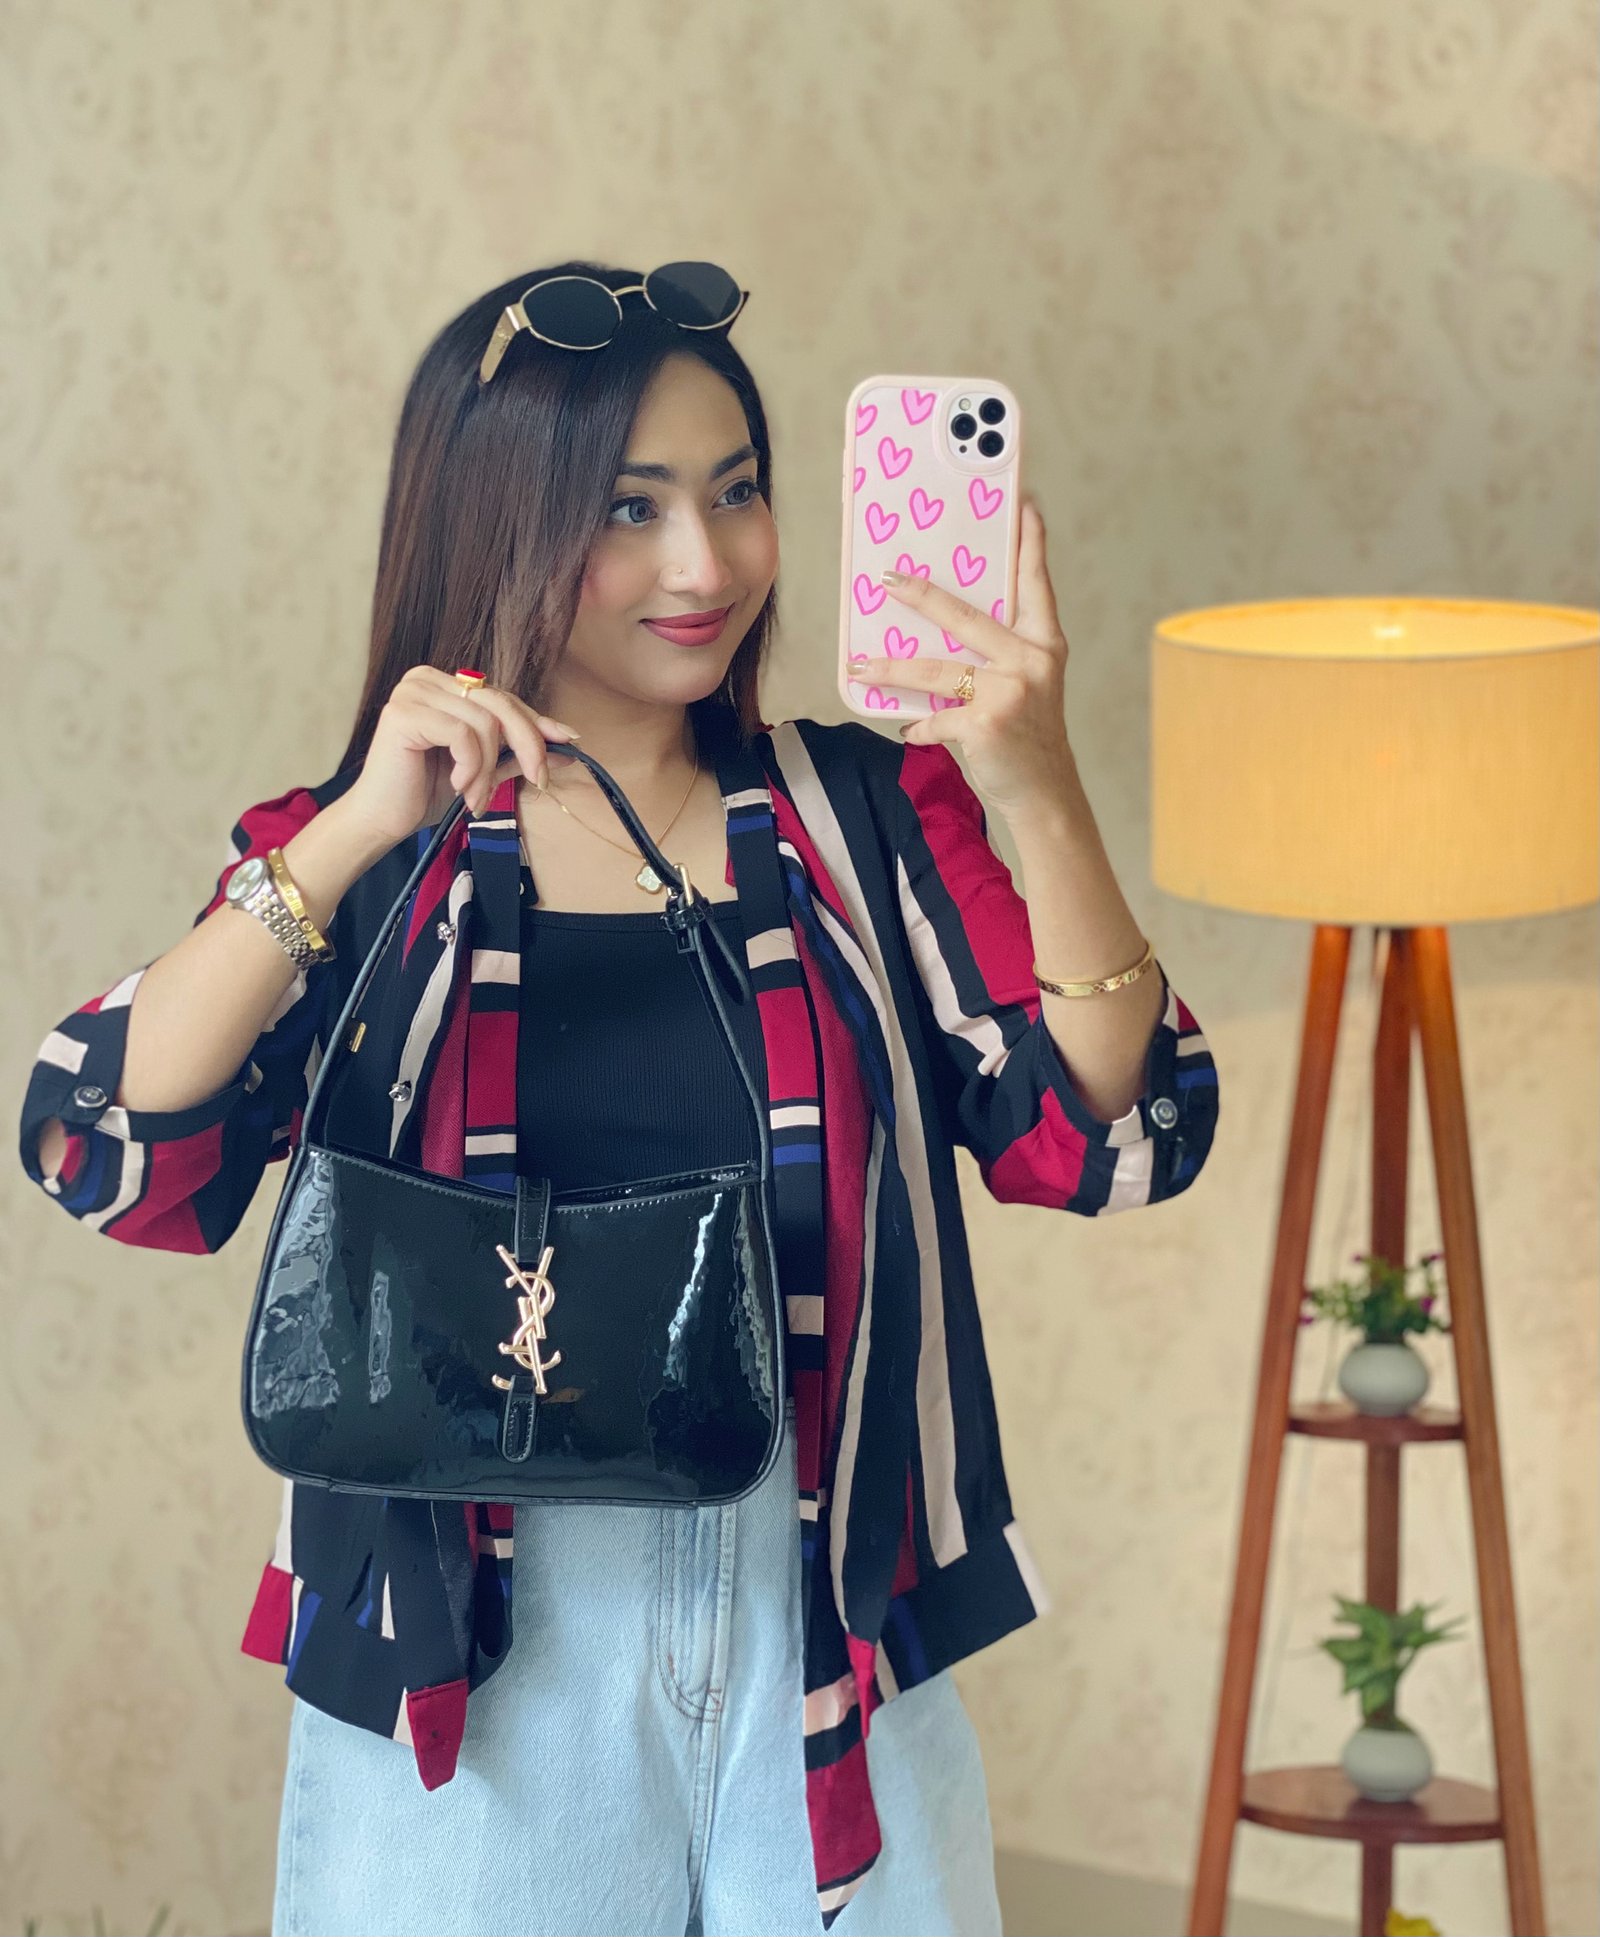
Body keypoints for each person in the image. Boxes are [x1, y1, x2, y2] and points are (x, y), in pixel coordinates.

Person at [19, 260, 1221, 1937]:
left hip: (825, 1620)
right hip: (477, 1650)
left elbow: (1116, 1134)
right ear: (496, 517)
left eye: (738, 492)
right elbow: (103, 1144)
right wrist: (354, 828)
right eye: (630, 507)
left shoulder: (862, 814)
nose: (704, 564)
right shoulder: (379, 847)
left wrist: (1038, 784)